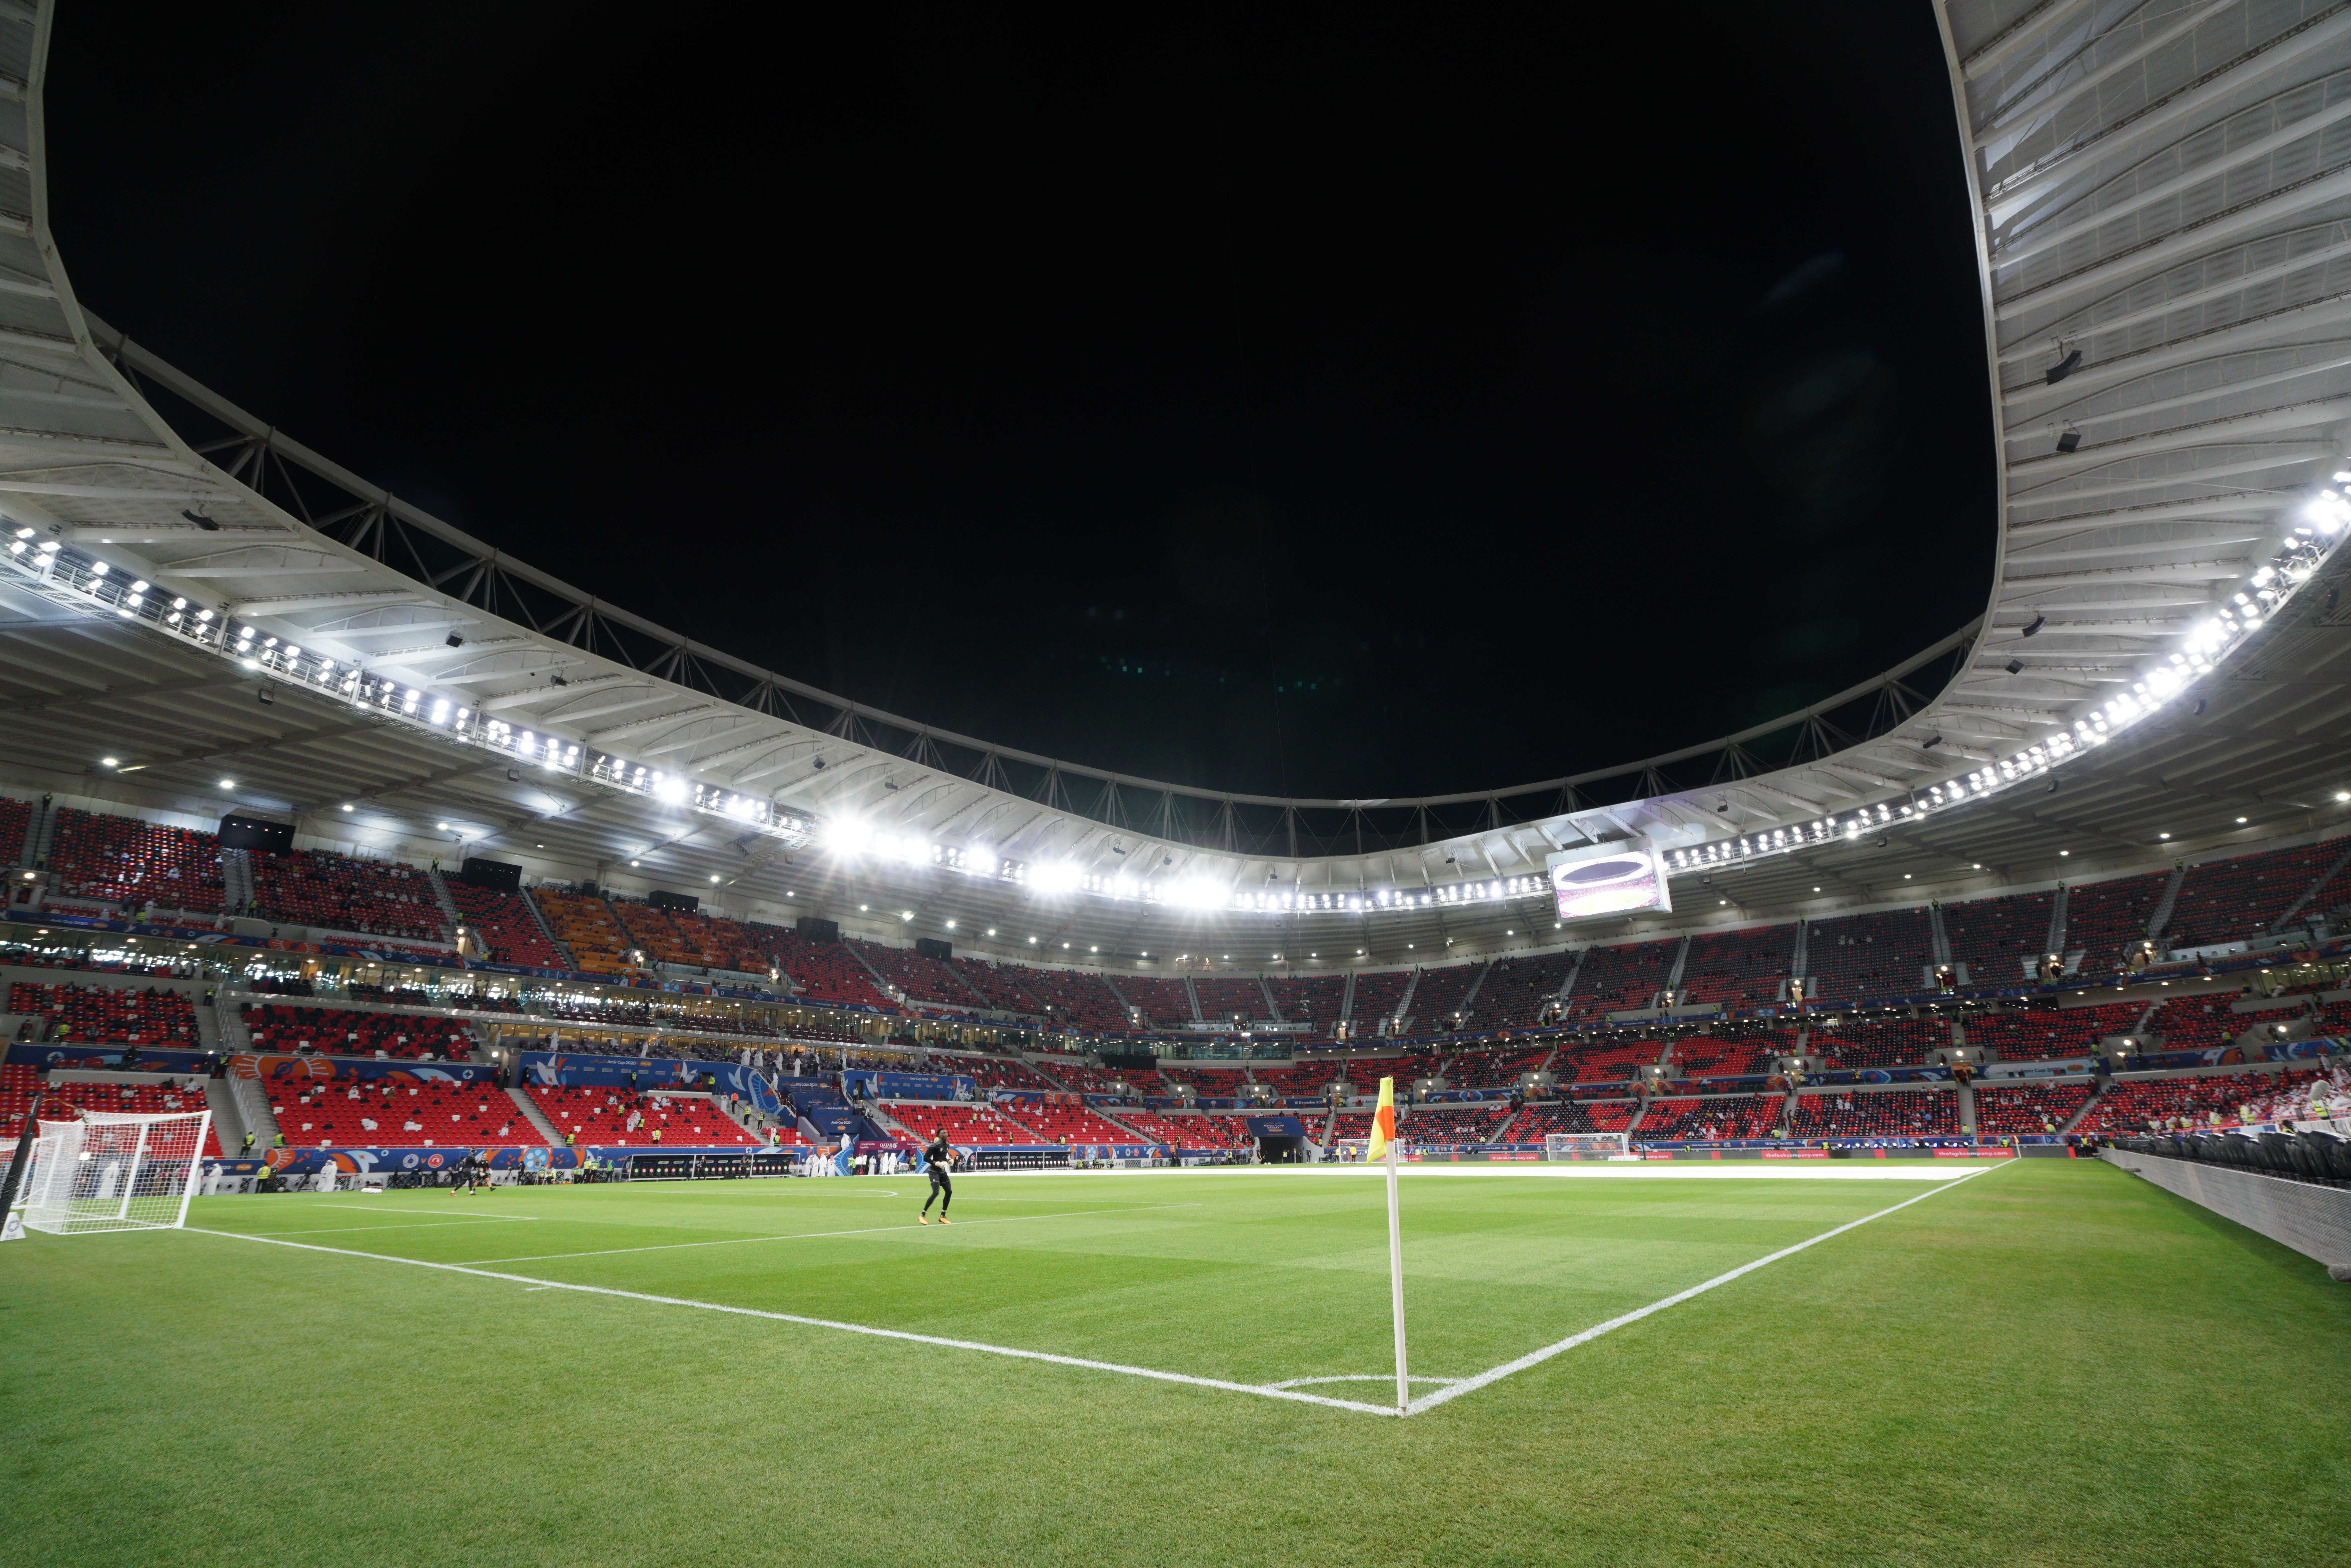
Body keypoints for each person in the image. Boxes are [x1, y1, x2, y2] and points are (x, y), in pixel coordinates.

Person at [918, 1133, 956, 1224]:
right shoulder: (934, 1148)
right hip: (934, 1172)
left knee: (949, 1192)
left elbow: (943, 1158)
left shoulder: (946, 1147)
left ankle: (943, 1216)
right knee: (936, 1193)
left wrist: (950, 1161)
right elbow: (928, 1158)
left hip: (942, 1172)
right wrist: (937, 1164)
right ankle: (922, 1215)